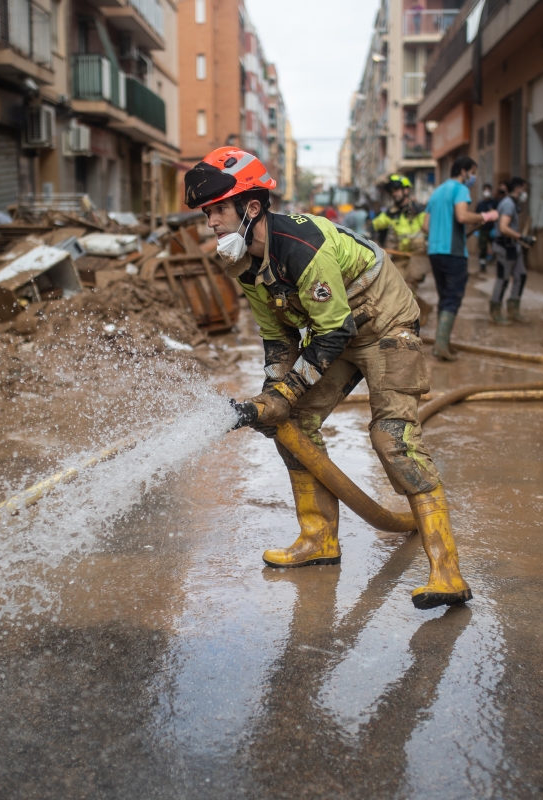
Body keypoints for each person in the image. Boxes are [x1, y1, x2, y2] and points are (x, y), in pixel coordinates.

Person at [185, 147, 472, 610]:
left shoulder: (301, 246)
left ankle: (447, 570)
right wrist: (274, 394)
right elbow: (278, 340)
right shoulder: (242, 262)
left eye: (219, 209)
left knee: (392, 437)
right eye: (207, 212)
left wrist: (286, 390)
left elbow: (336, 329)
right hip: (335, 329)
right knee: (290, 424)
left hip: (384, 324)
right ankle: (318, 538)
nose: (211, 221)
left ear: (251, 207)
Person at [424, 156, 498, 360]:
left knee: (444, 297)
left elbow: (425, 226)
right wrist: (485, 216)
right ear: (463, 171)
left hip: (434, 252)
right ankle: (440, 346)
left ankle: (443, 343)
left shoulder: (437, 191)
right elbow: (462, 216)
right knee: (453, 298)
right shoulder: (460, 189)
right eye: (472, 172)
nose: (473, 177)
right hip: (453, 252)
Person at [371, 174, 431, 320]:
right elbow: (376, 224)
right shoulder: (391, 213)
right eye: (392, 190)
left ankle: (409, 322)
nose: (394, 193)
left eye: (397, 189)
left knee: (409, 286)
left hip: (418, 255)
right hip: (400, 254)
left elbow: (428, 228)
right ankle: (424, 308)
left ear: (406, 190)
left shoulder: (419, 210)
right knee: (393, 286)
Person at [490, 177, 536, 325]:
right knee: (502, 280)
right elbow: (503, 228)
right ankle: (495, 312)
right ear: (518, 189)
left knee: (520, 276)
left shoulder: (513, 204)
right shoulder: (508, 204)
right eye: (524, 189)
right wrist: (522, 237)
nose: (525, 193)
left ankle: (513, 310)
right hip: (505, 248)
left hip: (513, 248)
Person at [474, 183, 500, 273]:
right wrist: (476, 228)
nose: (487, 192)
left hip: (493, 229)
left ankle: (498, 265)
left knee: (496, 247)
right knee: (483, 248)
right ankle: (482, 265)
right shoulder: (480, 204)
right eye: (485, 190)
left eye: (489, 190)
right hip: (483, 229)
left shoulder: (495, 203)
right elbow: (476, 216)